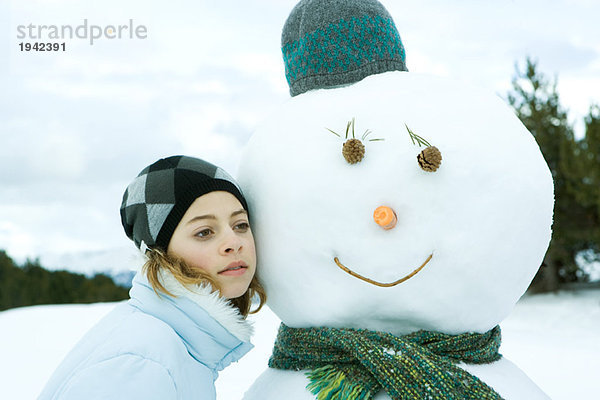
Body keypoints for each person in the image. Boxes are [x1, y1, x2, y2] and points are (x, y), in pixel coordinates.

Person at [39, 155, 266, 400]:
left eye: (240, 225)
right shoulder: (141, 363)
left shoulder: (171, 346)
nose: (233, 242)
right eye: (204, 232)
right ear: (160, 253)